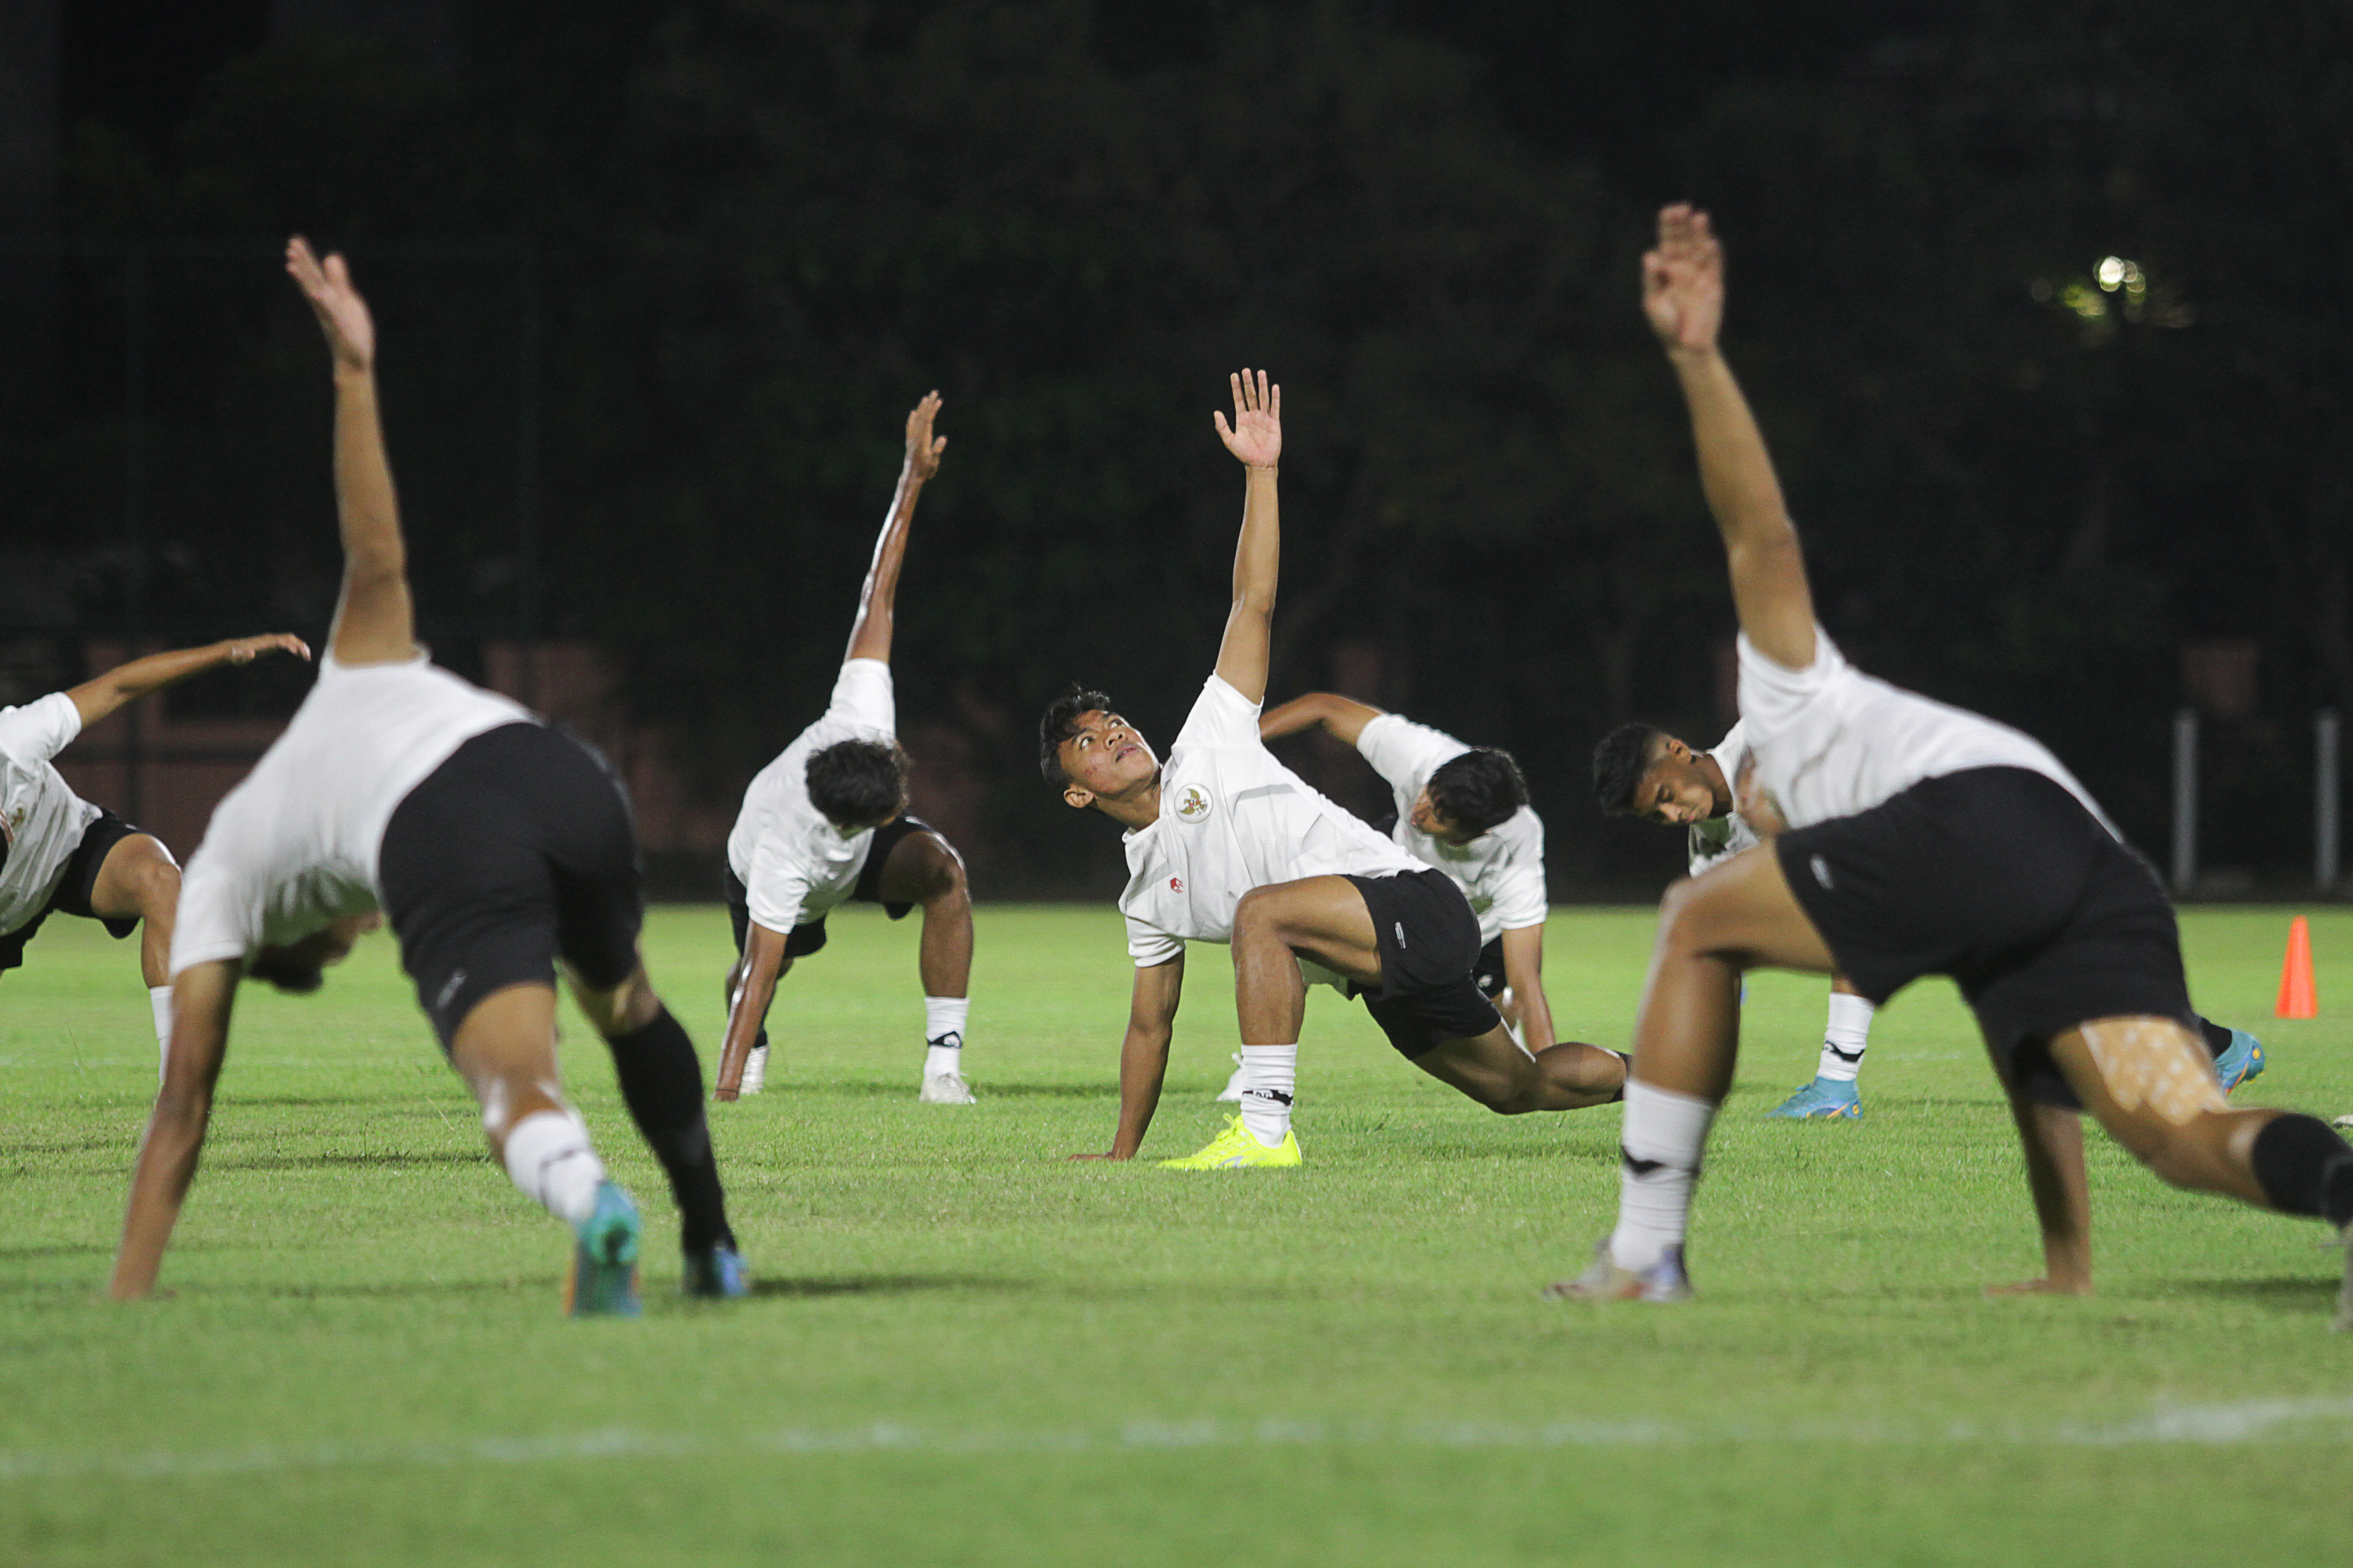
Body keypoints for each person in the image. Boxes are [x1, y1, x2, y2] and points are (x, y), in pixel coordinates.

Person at [1554, 206, 2353, 1326]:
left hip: (1990, 817)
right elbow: (2035, 1075)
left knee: (1695, 918)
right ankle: (2342, 1190)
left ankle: (1643, 1253)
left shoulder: (1783, 699)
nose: (1696, 810)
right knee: (2177, 1136)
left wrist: (1696, 359)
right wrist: (2068, 1265)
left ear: (1695, 754)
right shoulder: (1940, 885)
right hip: (2091, 864)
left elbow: (1760, 536)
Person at [108, 238, 743, 1315]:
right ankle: (714, 1249)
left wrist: (129, 1293)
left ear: (290, 942)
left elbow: (181, 1111)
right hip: (560, 770)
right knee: (624, 998)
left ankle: (592, 1201)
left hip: (447, 822)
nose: (364, 933)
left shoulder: (221, 882)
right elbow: (380, 556)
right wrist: (355, 376)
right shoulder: (352, 675)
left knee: (517, 1085)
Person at [1041, 371, 1628, 1170]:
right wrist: (1117, 1154)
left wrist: (1262, 472)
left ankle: (1266, 1132)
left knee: (1260, 914)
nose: (1113, 734)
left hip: (1418, 904)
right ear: (1078, 792)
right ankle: (1664, 1079)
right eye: (1090, 742)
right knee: (1518, 1089)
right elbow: (1151, 1025)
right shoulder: (1145, 895)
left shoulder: (1210, 734)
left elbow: (1252, 602)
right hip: (1379, 971)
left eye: (1114, 722)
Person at [1589, 719, 2267, 1118]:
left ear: (1679, 752)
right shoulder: (1709, 840)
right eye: (1656, 817)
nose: (1673, 816)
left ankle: (1834, 1085)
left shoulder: (1769, 751)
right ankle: (2216, 1045)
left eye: (1668, 798)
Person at [711, 393, 975, 1106]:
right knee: (758, 977)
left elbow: (876, 595)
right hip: (776, 872)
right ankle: (752, 1049)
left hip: (848, 852)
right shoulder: (782, 856)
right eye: (897, 797)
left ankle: (943, 1068)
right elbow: (763, 973)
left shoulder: (858, 717)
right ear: (851, 819)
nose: (908, 792)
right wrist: (727, 1091)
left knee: (944, 872)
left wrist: (911, 479)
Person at [1, 633, 309, 1082]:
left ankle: (178, 1086)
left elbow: (118, 685)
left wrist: (225, 652)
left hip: (69, 848)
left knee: (162, 881)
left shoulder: (16, 740)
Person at [1252, 693, 1556, 1065]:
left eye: (1439, 815)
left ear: (1474, 834)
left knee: (1488, 1050)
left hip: (1474, 930)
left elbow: (1528, 979)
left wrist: (1549, 1073)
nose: (1419, 810)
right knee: (1294, 928)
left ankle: (1500, 1012)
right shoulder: (1423, 755)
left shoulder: (1516, 852)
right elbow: (1323, 708)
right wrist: (1236, 739)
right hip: (1394, 874)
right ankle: (1260, 1070)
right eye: (1431, 792)